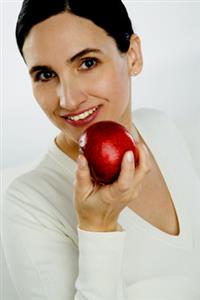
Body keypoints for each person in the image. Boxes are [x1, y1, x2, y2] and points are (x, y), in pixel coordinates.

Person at [2, 0, 200, 299]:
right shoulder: (30, 203)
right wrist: (97, 227)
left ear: (133, 55)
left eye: (87, 63)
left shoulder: (160, 128)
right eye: (45, 75)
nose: (67, 99)